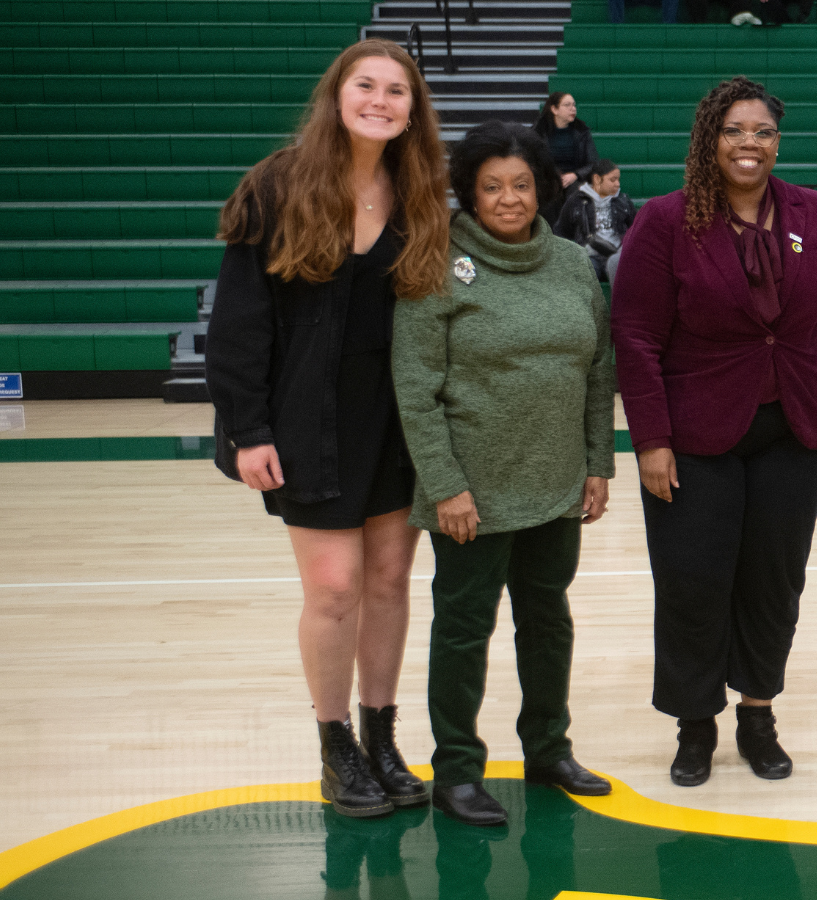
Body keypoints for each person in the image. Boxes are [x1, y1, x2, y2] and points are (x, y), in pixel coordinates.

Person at [205, 39, 449, 821]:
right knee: (336, 588)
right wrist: (248, 429)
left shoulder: (419, 193)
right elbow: (240, 323)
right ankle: (335, 740)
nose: (380, 101)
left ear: (414, 109)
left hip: (396, 421)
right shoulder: (276, 186)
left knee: (386, 583)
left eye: (397, 91)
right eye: (365, 86)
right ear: (336, 96)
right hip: (307, 420)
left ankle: (381, 734)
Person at [614, 77, 817, 788]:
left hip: (798, 426)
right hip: (693, 433)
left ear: (777, 143)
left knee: (773, 580)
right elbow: (633, 335)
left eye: (763, 133)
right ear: (709, 140)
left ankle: (758, 713)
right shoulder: (665, 221)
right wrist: (649, 439)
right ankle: (695, 723)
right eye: (734, 131)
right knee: (693, 582)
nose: (750, 144)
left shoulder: (813, 212)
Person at [392, 121, 618, 826]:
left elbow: (597, 369)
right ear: (469, 191)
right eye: (492, 186)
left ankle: (548, 748)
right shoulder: (436, 263)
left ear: (543, 188)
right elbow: (414, 387)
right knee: (464, 627)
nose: (509, 198)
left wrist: (597, 464)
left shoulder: (573, 263)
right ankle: (457, 769)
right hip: (471, 493)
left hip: (557, 482)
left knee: (547, 621)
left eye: (522, 184)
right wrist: (445, 485)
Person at [553, 158, 636, 282]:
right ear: (597, 179)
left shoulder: (623, 200)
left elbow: (636, 229)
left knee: (620, 265)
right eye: (612, 180)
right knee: (584, 268)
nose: (617, 184)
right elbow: (560, 232)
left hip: (617, 255)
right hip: (590, 256)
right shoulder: (576, 201)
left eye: (618, 179)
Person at [532, 93, 599, 192]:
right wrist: (553, 176)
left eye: (574, 105)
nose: (573, 109)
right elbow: (532, 162)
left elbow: (593, 163)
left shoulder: (582, 132)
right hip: (547, 180)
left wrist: (575, 175)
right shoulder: (538, 132)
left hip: (575, 180)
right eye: (567, 105)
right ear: (554, 109)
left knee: (576, 193)